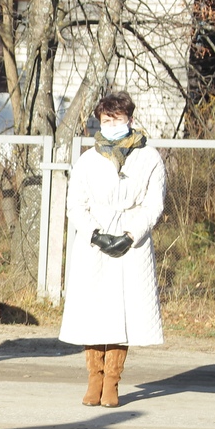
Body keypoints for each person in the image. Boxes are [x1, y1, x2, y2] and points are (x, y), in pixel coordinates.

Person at [59, 91, 165, 407]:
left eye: (117, 119)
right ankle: (94, 379)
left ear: (129, 119)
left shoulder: (149, 157)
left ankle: (112, 383)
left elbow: (154, 203)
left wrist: (131, 234)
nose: (112, 124)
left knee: (122, 314)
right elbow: (75, 204)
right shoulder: (88, 159)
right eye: (107, 119)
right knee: (93, 312)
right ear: (100, 121)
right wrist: (94, 234)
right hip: (94, 243)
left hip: (132, 242)